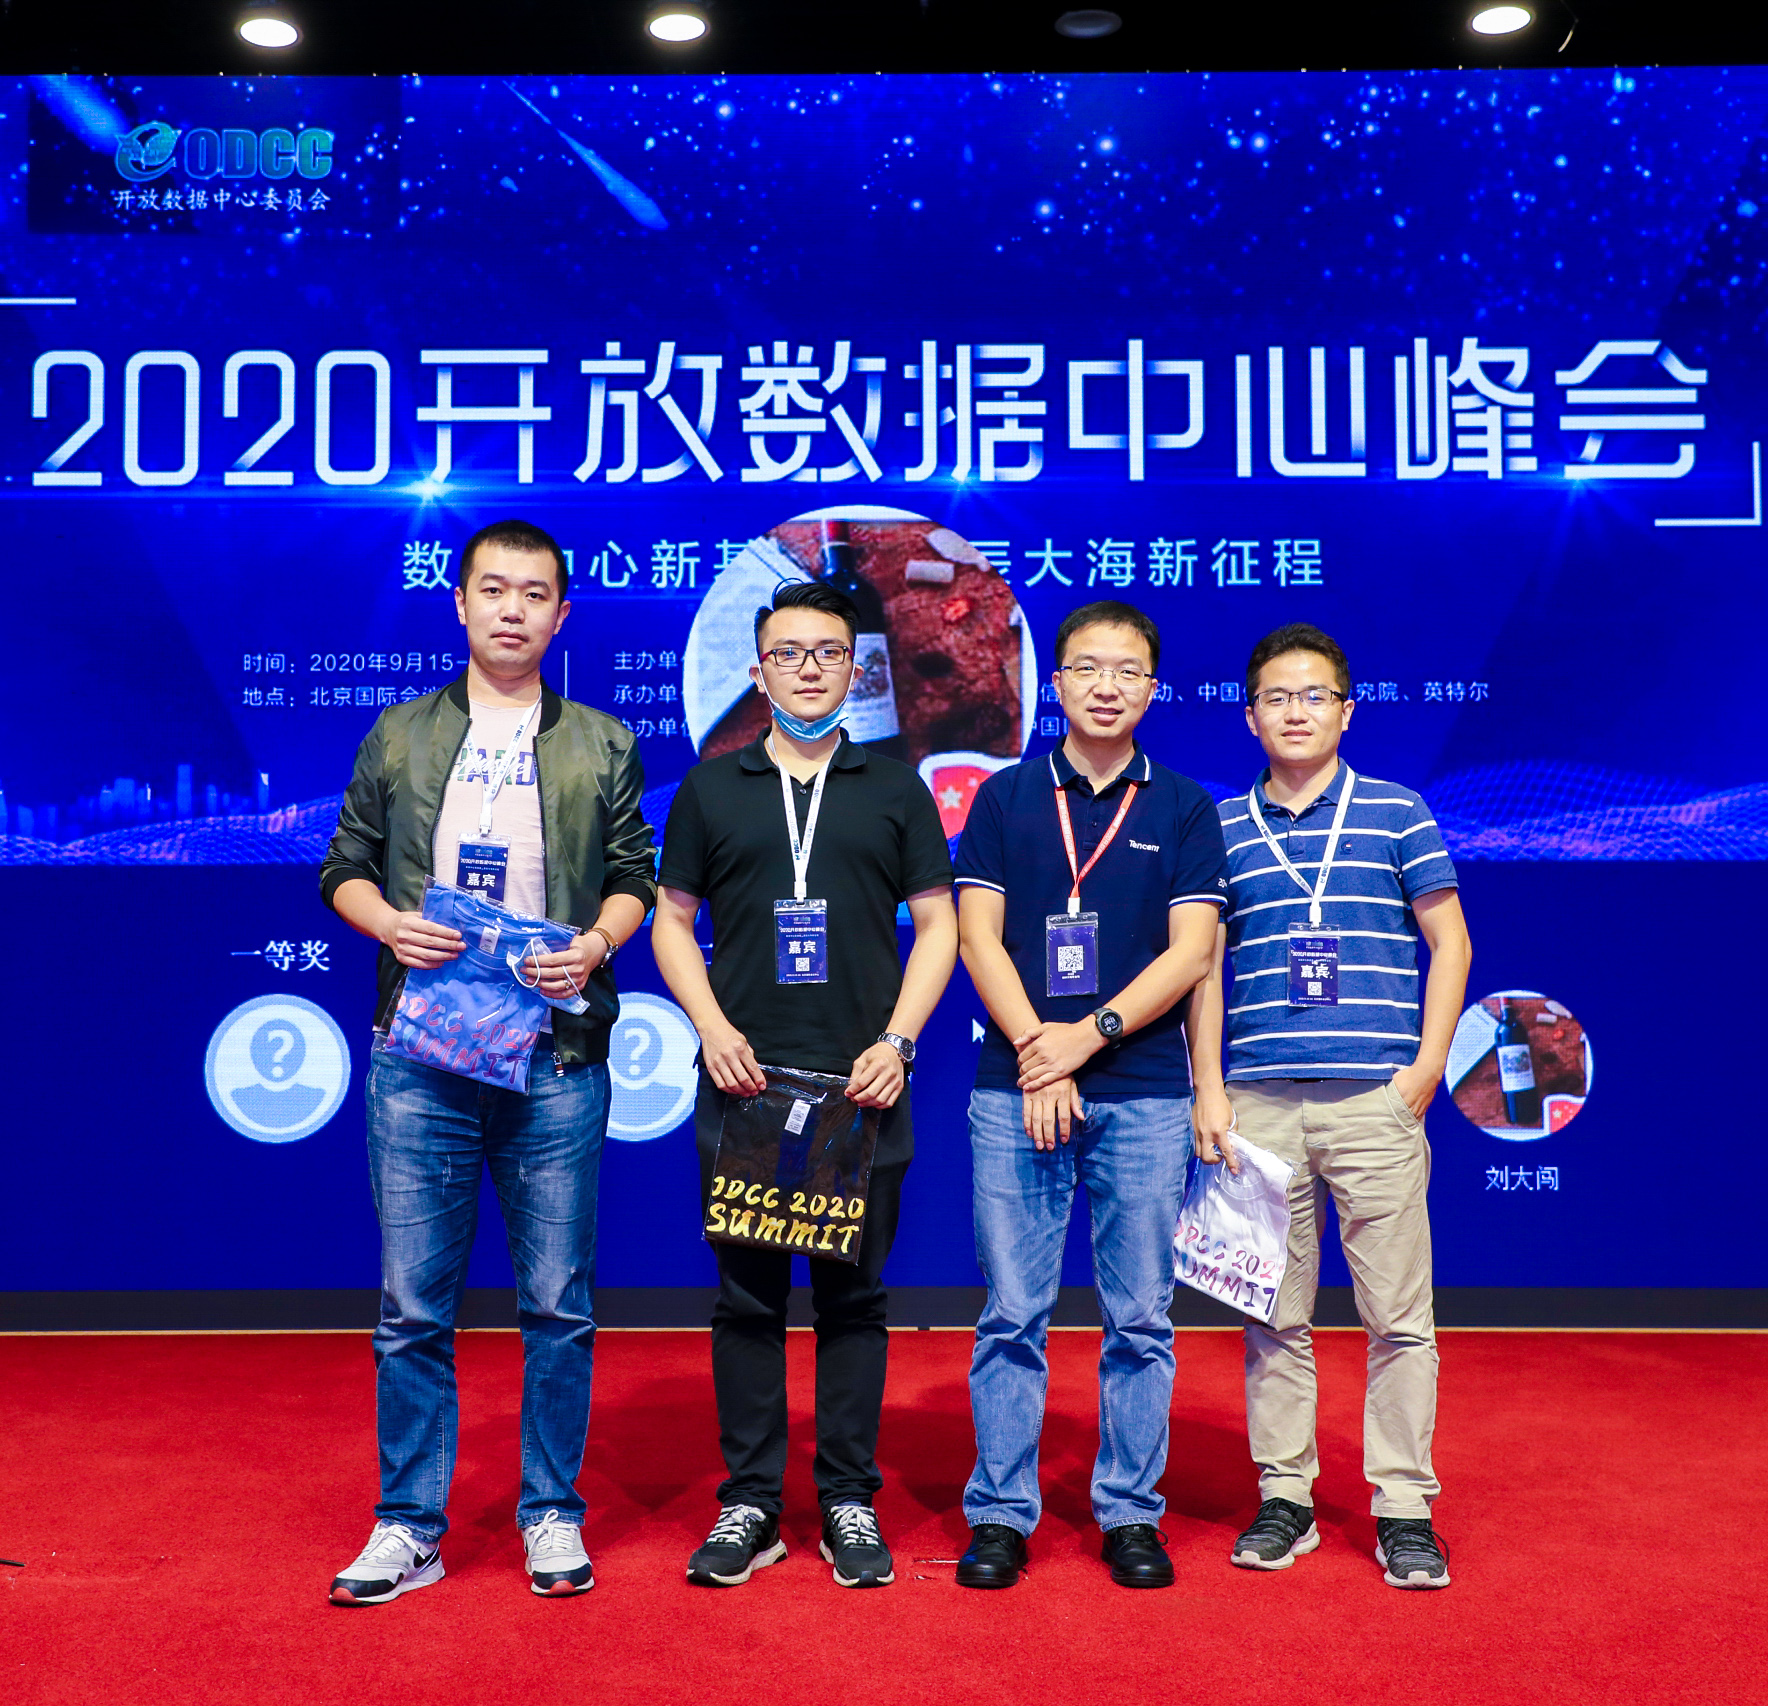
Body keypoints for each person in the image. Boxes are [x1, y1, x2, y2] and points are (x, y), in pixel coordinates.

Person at [318, 520, 656, 1604]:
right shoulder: (401, 733)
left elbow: (633, 877)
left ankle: (552, 1510)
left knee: (557, 1301)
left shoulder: (601, 741)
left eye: (535, 593)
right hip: (423, 1056)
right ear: (459, 603)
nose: (513, 609)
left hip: (555, 1054)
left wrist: (594, 945)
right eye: (494, 590)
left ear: (563, 615)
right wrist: (386, 923)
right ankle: (407, 1525)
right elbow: (343, 862)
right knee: (412, 1306)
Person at [649, 579, 958, 1591]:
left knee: (853, 1298)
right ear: (758, 671)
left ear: (856, 667)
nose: (810, 668)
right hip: (745, 1084)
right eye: (788, 652)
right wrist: (710, 1026)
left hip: (863, 1087)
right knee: (746, 1299)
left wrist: (899, 1041)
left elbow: (940, 924)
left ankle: (846, 1499)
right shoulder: (712, 788)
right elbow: (671, 920)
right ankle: (750, 1502)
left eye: (829, 651)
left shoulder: (895, 787)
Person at [950, 601, 1228, 1591]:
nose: (1106, 686)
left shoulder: (1183, 805)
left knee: (1140, 1317)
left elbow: (1192, 954)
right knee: (1012, 1313)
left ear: (1152, 686)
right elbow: (976, 936)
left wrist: (1087, 1036)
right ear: (1056, 683)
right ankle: (999, 1513)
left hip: (1144, 1091)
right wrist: (1042, 1050)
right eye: (1087, 668)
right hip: (1017, 1087)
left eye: (1127, 670)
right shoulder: (1004, 798)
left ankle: (1129, 1512)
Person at [1187, 621, 1471, 1591]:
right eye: (1277, 696)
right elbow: (1204, 966)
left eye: (1314, 695)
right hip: (1258, 1105)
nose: (1296, 711)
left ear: (1347, 710)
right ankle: (1286, 1495)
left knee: (1400, 1319)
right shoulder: (1220, 827)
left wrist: (1424, 1069)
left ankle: (1403, 1507)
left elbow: (1450, 942)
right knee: (1273, 1317)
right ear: (1249, 716)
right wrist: (1211, 1086)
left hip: (1373, 1103)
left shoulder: (1397, 811)